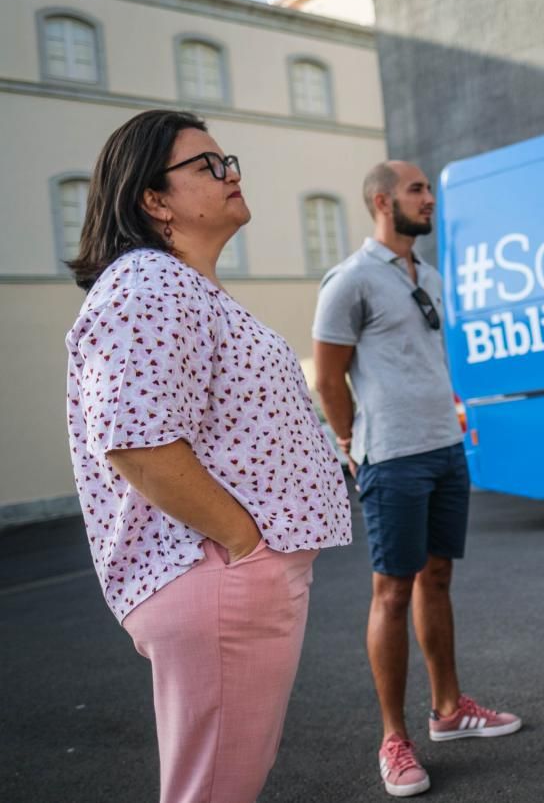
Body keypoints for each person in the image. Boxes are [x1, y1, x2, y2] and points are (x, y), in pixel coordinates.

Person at [64, 110, 352, 803]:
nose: (232, 175)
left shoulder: (180, 287)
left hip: (230, 571)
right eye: (208, 166)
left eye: (230, 161)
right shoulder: (148, 285)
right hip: (220, 571)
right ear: (153, 199)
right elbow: (138, 443)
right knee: (215, 789)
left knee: (224, 780)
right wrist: (246, 545)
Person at [312, 160, 521, 797]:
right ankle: (393, 739)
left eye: (428, 189)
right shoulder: (349, 282)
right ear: (382, 201)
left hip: (444, 448)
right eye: (417, 190)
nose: (429, 199)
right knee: (392, 593)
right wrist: (353, 443)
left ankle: (449, 710)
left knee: (437, 577)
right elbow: (326, 378)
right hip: (393, 459)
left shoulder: (426, 274)